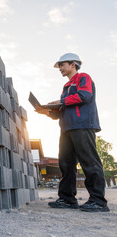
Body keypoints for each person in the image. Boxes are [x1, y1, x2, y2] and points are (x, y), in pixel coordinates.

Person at [36, 53, 109, 212]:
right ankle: (67, 199)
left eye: (62, 65)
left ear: (73, 65)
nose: (60, 69)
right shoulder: (66, 87)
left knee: (89, 162)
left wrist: (61, 101)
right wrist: (46, 111)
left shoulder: (83, 78)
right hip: (66, 128)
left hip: (82, 125)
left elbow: (85, 96)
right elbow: (61, 111)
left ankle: (98, 201)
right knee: (66, 164)